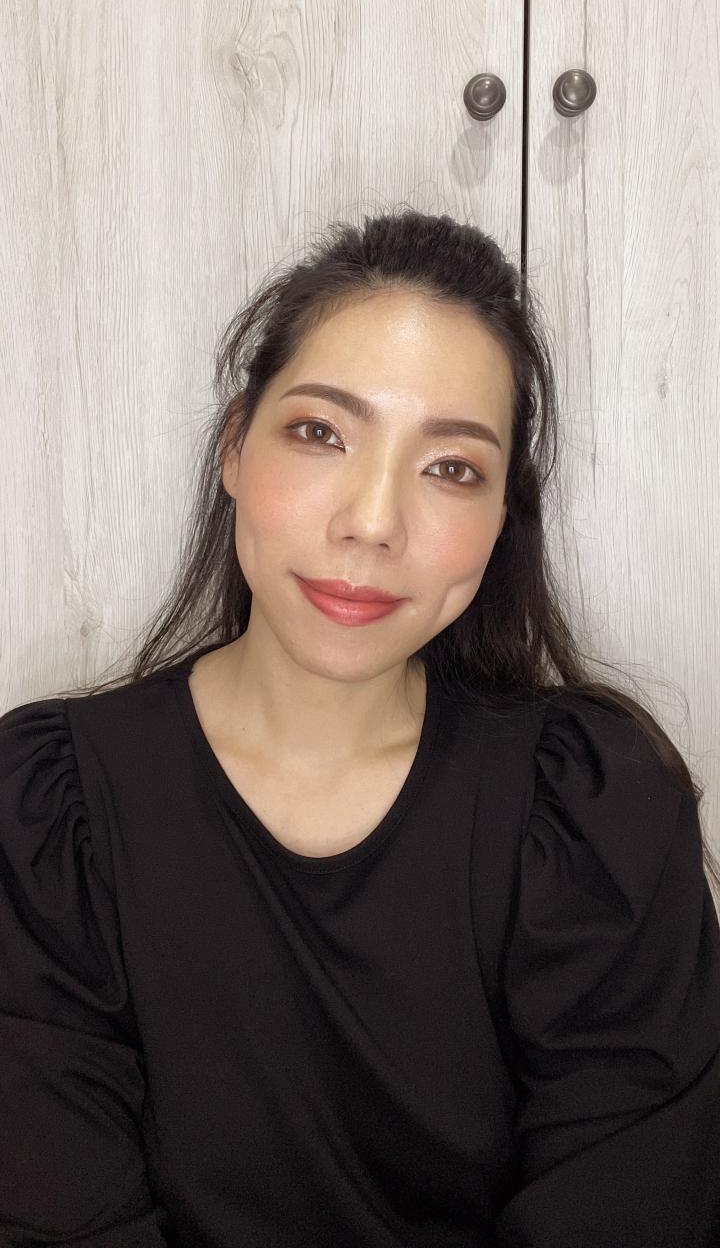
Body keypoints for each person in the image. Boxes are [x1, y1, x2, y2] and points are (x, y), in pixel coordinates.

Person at [1, 208, 719, 1247]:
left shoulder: (591, 812)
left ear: (501, 518)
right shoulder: (45, 816)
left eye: (452, 468)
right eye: (322, 433)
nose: (373, 523)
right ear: (233, 447)